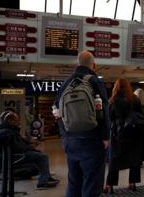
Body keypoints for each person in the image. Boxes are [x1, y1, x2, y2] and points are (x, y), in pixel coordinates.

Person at [55, 51, 110, 197]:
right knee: (91, 185)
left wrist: (64, 136)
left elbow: (56, 110)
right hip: (91, 141)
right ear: (94, 65)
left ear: (77, 64)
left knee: (74, 183)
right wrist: (105, 137)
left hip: (70, 142)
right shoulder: (94, 81)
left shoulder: (66, 82)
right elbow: (104, 110)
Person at [0, 111, 60, 189]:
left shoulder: (6, 130)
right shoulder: (6, 132)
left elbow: (19, 142)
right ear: (10, 121)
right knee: (43, 157)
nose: (19, 121)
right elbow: (17, 148)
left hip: (11, 156)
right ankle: (43, 183)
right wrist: (30, 147)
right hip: (15, 157)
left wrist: (30, 145)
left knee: (39, 154)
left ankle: (47, 176)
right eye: (16, 120)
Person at [104, 79, 144, 193]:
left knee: (114, 161)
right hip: (134, 134)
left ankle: (110, 185)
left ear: (116, 87)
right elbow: (141, 116)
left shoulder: (112, 100)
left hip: (118, 135)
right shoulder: (135, 99)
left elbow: (110, 118)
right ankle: (132, 183)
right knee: (135, 159)